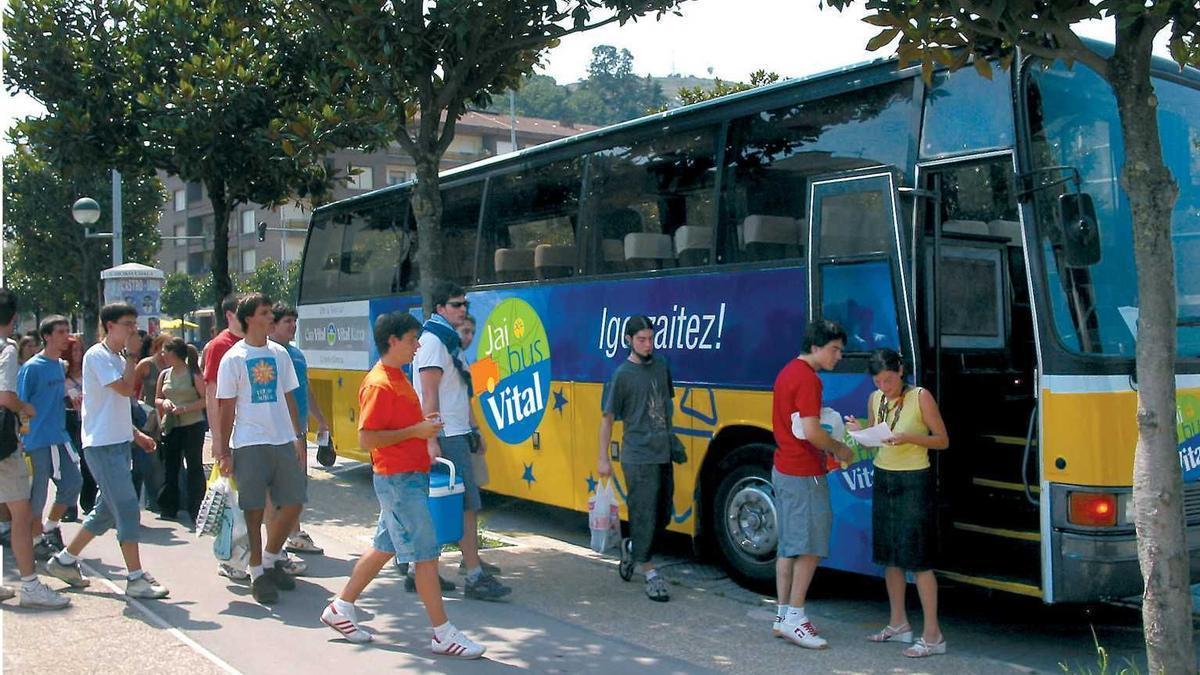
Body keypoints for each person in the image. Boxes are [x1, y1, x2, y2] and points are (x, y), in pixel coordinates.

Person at [320, 311, 486, 658]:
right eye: (412, 339)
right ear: (392, 341)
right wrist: (416, 431)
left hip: (405, 478)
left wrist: (421, 428)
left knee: (385, 546)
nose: (418, 345)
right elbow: (366, 439)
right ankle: (442, 633)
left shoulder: (394, 377)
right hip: (398, 481)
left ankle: (341, 607)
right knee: (425, 555)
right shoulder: (380, 383)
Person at [46, 302, 169, 600]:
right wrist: (133, 356)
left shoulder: (115, 357)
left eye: (134, 324)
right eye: (127, 324)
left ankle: (64, 561)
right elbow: (126, 389)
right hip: (102, 446)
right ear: (110, 326)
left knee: (104, 512)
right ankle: (136, 577)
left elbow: (114, 407)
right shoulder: (98, 356)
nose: (133, 330)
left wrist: (136, 435)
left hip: (117, 443)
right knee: (127, 506)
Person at [847, 348, 949, 658]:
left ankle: (933, 635)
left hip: (914, 479)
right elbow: (876, 434)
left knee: (918, 560)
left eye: (888, 380)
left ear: (900, 371)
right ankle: (898, 623)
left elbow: (942, 440)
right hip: (884, 476)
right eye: (878, 381)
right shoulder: (875, 399)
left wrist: (910, 437)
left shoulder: (920, 396)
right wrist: (858, 431)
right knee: (889, 557)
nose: (883, 387)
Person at [412, 281, 509, 601]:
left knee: (453, 506)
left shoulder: (450, 343)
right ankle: (474, 576)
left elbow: (461, 393)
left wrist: (474, 429)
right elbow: (429, 397)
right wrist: (431, 440)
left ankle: (420, 571)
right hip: (445, 435)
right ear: (440, 309)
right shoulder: (432, 344)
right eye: (456, 304)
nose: (463, 309)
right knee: (464, 507)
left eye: (465, 304)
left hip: (456, 433)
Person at [214, 293, 308, 605]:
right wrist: (223, 449)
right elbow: (225, 407)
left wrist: (297, 435)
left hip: (282, 439)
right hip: (249, 442)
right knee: (254, 511)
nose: (271, 318)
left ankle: (269, 559)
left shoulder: (280, 354)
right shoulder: (234, 358)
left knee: (294, 501)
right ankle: (257, 574)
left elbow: (290, 396)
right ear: (250, 318)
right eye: (266, 313)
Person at [770, 319, 855, 649]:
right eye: (834, 350)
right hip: (805, 471)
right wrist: (840, 448)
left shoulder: (787, 372)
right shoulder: (808, 379)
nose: (839, 356)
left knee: (790, 545)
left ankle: (782, 616)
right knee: (811, 545)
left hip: (785, 467)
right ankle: (795, 617)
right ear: (816, 348)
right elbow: (813, 430)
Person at [597, 316, 679, 602]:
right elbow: (607, 420)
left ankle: (632, 548)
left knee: (663, 513)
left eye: (651, 339)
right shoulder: (622, 375)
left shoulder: (661, 366)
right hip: (638, 455)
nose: (648, 344)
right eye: (641, 339)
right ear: (629, 340)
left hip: (662, 452)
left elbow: (666, 406)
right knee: (644, 514)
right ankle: (651, 573)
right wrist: (603, 458)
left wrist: (672, 439)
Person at [0, 290, 70, 609]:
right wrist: (25, 407)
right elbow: (6, 396)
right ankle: (29, 584)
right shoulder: (7, 348)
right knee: (22, 512)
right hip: (5, 445)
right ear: (13, 319)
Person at [17, 315, 83, 559]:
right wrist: (22, 438)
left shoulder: (59, 366)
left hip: (60, 436)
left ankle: (50, 528)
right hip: (36, 440)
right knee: (38, 496)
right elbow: (21, 403)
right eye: (60, 332)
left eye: (67, 331)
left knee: (73, 483)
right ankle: (35, 542)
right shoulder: (32, 368)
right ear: (46, 336)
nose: (66, 336)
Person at [269, 302, 329, 556]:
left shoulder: (297, 354)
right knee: (281, 488)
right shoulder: (269, 354)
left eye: (295, 321)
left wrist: (321, 420)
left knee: (297, 485)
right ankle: (280, 539)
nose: (293, 326)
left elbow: (306, 389)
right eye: (287, 322)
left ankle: (294, 533)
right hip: (279, 432)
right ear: (273, 325)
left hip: (299, 430)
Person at [202, 294, 249, 581]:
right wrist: (219, 444)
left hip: (249, 435)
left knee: (247, 499)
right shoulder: (219, 346)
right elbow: (212, 396)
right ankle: (230, 557)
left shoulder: (252, 345)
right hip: (231, 437)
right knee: (232, 501)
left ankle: (250, 554)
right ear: (231, 315)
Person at [154, 337, 207, 524]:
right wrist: (165, 403)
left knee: (194, 466)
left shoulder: (193, 374)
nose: (162, 355)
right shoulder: (165, 374)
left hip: (192, 424)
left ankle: (197, 508)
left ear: (175, 354)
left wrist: (185, 408)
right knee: (171, 467)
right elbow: (157, 398)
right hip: (171, 425)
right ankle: (169, 507)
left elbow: (205, 399)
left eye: (165, 352)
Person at [63, 335, 89, 522]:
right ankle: (69, 507)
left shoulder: (88, 371)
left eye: (80, 349)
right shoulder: (61, 374)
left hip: (87, 420)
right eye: (74, 350)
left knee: (88, 464)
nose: (77, 354)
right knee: (70, 466)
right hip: (69, 420)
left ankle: (88, 503)